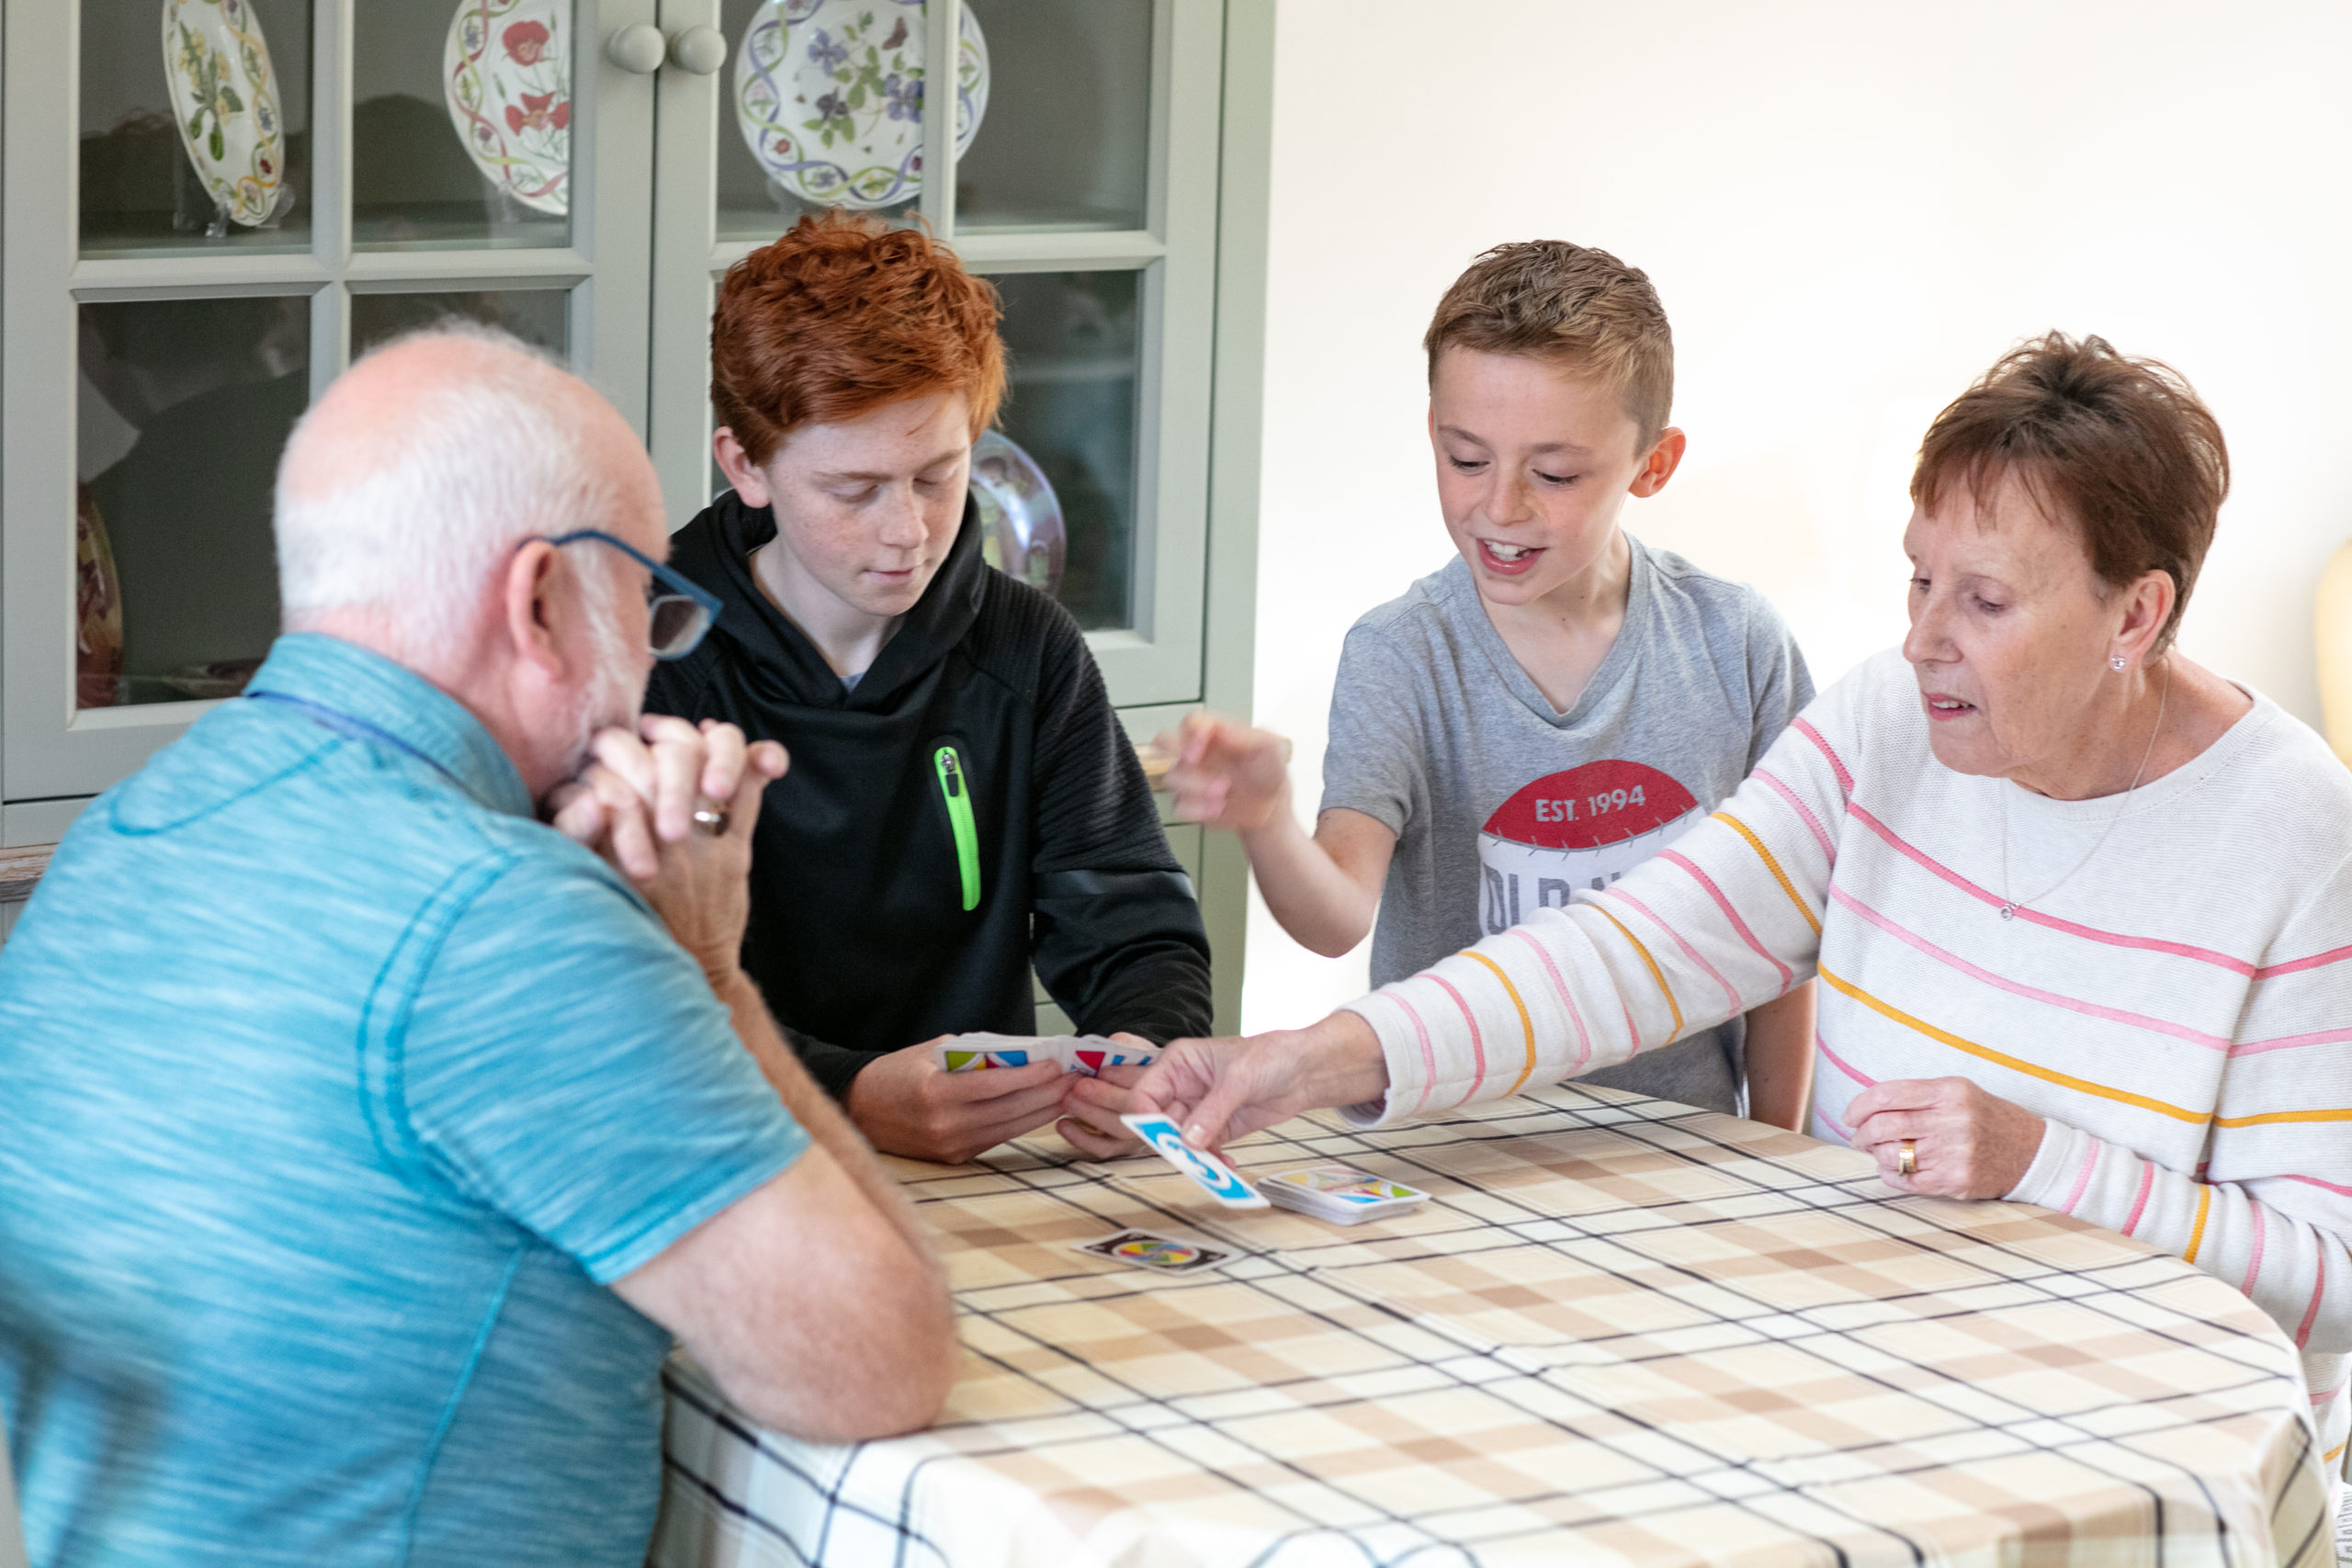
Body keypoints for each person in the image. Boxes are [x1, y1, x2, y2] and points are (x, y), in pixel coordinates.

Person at [1136, 331, 2352, 1474]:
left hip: (2131, 1435)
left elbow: (2333, 1279)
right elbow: (1633, 951)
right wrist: (1312, 1060)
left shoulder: (2296, 838)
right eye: (1919, 579)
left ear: (2134, 613)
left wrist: (2044, 1161)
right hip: (1862, 1380)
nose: (1922, 638)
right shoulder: (1890, 723)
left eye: (1983, 603)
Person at [0, 327, 956, 1567]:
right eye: (647, 600)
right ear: (542, 600)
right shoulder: (501, 916)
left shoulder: (120, 835)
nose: (656, 671)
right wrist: (709, 966)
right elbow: (879, 1361)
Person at [1125, 242, 1816, 1129]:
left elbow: (1783, 939)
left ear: (1654, 463)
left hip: (1682, 1148)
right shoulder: (1401, 652)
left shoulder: (1738, 642)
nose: (1501, 506)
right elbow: (1336, 916)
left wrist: (1774, 1141)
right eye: (1466, 458)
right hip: (1452, 1151)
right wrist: (1266, 819)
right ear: (1432, 432)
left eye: (1555, 474)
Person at [646, 210, 1213, 1165]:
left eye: (940, 476)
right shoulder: (646, 662)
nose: (909, 531)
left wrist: (1140, 1053)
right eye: (855, 490)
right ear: (745, 464)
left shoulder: (1029, 651)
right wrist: (848, 1095)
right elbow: (619, 998)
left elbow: (1135, 929)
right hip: (720, 1165)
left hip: (982, 1176)